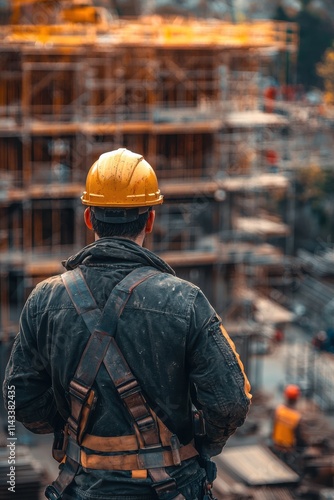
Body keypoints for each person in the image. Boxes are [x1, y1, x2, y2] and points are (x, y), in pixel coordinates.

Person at [3, 148, 252, 500]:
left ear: (89, 218)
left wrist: (71, 428)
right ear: (150, 220)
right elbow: (230, 404)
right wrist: (197, 441)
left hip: (81, 485)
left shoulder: (44, 300)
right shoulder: (186, 301)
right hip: (173, 489)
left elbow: (19, 399)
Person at [271, 384, 307, 472]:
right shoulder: (296, 417)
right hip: (288, 450)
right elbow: (298, 437)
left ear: (285, 396)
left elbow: (273, 427)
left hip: (276, 446)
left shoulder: (279, 410)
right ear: (297, 398)